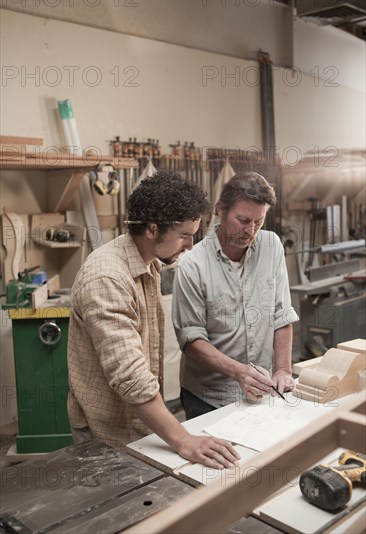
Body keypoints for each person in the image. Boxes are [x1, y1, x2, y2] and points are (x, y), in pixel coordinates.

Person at [67, 171, 240, 470]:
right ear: (151, 229)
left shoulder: (147, 263)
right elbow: (131, 377)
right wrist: (183, 440)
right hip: (107, 433)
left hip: (139, 425)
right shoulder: (107, 278)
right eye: (184, 235)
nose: (189, 246)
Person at [172, 171, 299, 419]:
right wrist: (239, 372)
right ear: (220, 210)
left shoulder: (272, 246)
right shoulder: (192, 265)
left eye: (259, 222)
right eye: (242, 220)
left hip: (261, 390)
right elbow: (191, 340)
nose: (250, 230)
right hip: (209, 397)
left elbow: (281, 315)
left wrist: (283, 369)